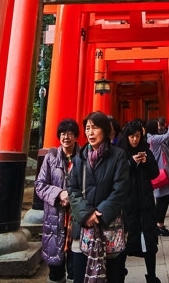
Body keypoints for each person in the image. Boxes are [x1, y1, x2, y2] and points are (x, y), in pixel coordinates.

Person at [68, 111, 130, 283]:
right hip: (83, 227)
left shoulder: (118, 156)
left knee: (110, 276)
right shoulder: (79, 157)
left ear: (104, 130)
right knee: (81, 276)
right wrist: (87, 214)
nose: (90, 132)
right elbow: (72, 188)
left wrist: (99, 215)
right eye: (87, 128)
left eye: (94, 128)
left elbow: (121, 190)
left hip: (108, 225)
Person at [35, 118, 79, 282]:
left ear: (76, 137)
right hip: (55, 220)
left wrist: (73, 197)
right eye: (62, 134)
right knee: (55, 272)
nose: (66, 137)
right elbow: (39, 185)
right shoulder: (50, 157)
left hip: (76, 219)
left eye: (69, 134)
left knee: (77, 271)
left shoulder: (84, 156)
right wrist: (59, 193)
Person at [119, 119, 162, 283]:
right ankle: (120, 275)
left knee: (149, 243)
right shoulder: (121, 153)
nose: (134, 140)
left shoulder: (146, 151)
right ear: (126, 137)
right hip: (128, 206)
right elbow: (118, 175)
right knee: (124, 242)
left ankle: (151, 275)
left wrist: (147, 162)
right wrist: (131, 162)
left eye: (137, 136)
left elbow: (155, 174)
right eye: (131, 137)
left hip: (146, 205)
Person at [145, 118, 169, 235]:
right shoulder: (154, 139)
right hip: (161, 172)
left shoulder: (150, 138)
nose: (159, 127)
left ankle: (158, 223)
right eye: (157, 125)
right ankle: (159, 224)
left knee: (162, 199)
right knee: (164, 199)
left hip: (159, 171)